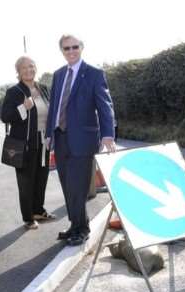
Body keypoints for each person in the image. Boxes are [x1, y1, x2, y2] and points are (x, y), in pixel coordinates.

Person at [46, 35, 116, 246]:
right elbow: (54, 106)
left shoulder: (94, 74)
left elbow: (105, 105)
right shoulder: (58, 75)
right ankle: (76, 224)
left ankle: (82, 229)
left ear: (82, 48)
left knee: (77, 186)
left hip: (83, 140)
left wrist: (108, 134)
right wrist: (49, 133)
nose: (71, 51)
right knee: (67, 186)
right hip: (60, 137)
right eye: (66, 48)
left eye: (75, 47)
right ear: (62, 51)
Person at [1, 56, 56, 229]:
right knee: (26, 182)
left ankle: (38, 210)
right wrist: (23, 107)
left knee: (42, 178)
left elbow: (52, 113)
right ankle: (28, 217)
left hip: (43, 143)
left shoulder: (44, 89)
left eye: (31, 66)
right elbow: (5, 117)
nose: (28, 70)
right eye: (24, 68)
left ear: (36, 68)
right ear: (18, 71)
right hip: (24, 145)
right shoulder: (15, 91)